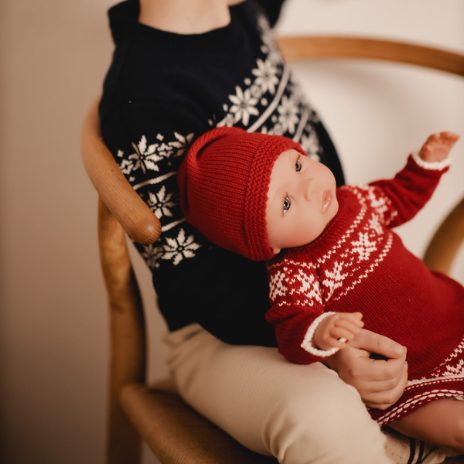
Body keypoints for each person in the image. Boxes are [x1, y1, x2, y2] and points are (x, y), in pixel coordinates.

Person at [98, 0, 453, 462]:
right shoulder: (144, 98)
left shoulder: (243, 13)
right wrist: (328, 351)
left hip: (342, 286)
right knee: (318, 417)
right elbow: (208, 293)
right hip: (230, 332)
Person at [178, 127, 464, 452]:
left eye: (298, 166)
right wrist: (321, 329)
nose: (311, 188)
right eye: (286, 203)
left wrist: (424, 165)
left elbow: (399, 196)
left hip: (448, 317)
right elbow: (290, 327)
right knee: (456, 427)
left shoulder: (354, 200)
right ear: (267, 246)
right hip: (408, 376)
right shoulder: (294, 270)